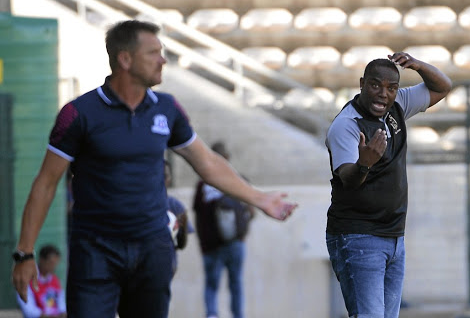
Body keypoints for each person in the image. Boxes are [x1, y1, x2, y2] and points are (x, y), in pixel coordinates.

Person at [11, 20, 297, 318]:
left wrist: (260, 198)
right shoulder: (78, 114)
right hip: (95, 251)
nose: (163, 60)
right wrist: (25, 253)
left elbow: (208, 164)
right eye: (154, 53)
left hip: (152, 250)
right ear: (125, 59)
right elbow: (45, 183)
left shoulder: (168, 108)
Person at [325, 53, 452, 318]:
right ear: (362, 84)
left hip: (394, 237)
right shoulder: (346, 125)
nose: (383, 94)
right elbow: (348, 179)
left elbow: (442, 86)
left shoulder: (398, 105)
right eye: (375, 85)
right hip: (358, 236)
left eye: (391, 88)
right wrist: (364, 163)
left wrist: (418, 65)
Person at [193, 141, 255, 318]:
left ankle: (212, 314)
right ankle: (238, 315)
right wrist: (243, 233)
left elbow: (197, 214)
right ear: (227, 158)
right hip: (235, 243)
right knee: (235, 284)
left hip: (210, 245)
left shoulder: (202, 185)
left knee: (211, 285)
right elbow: (251, 211)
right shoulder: (237, 179)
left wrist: (202, 241)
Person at [16, 244, 66, 318]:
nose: (54, 267)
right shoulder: (27, 279)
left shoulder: (55, 280)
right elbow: (29, 311)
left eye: (56, 263)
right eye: (51, 263)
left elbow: (62, 306)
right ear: (42, 260)